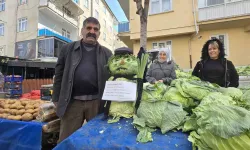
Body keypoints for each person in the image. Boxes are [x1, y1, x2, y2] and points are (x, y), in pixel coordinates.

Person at [52, 17, 112, 143]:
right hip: (72, 102)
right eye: (88, 28)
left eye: (96, 29)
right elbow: (59, 74)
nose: (92, 31)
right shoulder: (68, 49)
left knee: (97, 140)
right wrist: (56, 98)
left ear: (99, 34)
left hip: (96, 103)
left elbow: (112, 78)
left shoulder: (107, 53)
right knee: (67, 140)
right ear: (82, 30)